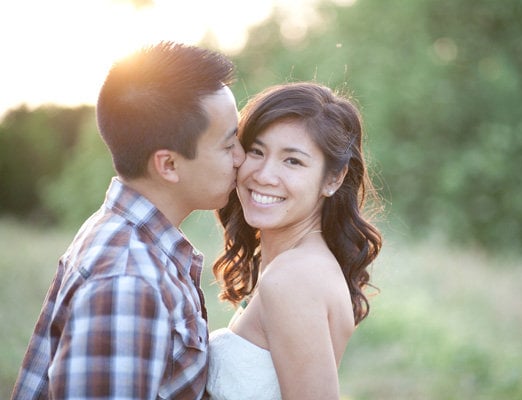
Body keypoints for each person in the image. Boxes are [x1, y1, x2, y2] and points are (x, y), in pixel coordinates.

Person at [12, 41, 244, 399]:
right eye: (229, 146)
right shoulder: (129, 279)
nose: (242, 158)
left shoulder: (134, 243)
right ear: (168, 164)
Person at [205, 82, 383, 399]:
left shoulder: (293, 279)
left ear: (333, 178)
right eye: (256, 152)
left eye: (293, 161)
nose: (263, 175)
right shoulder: (296, 265)